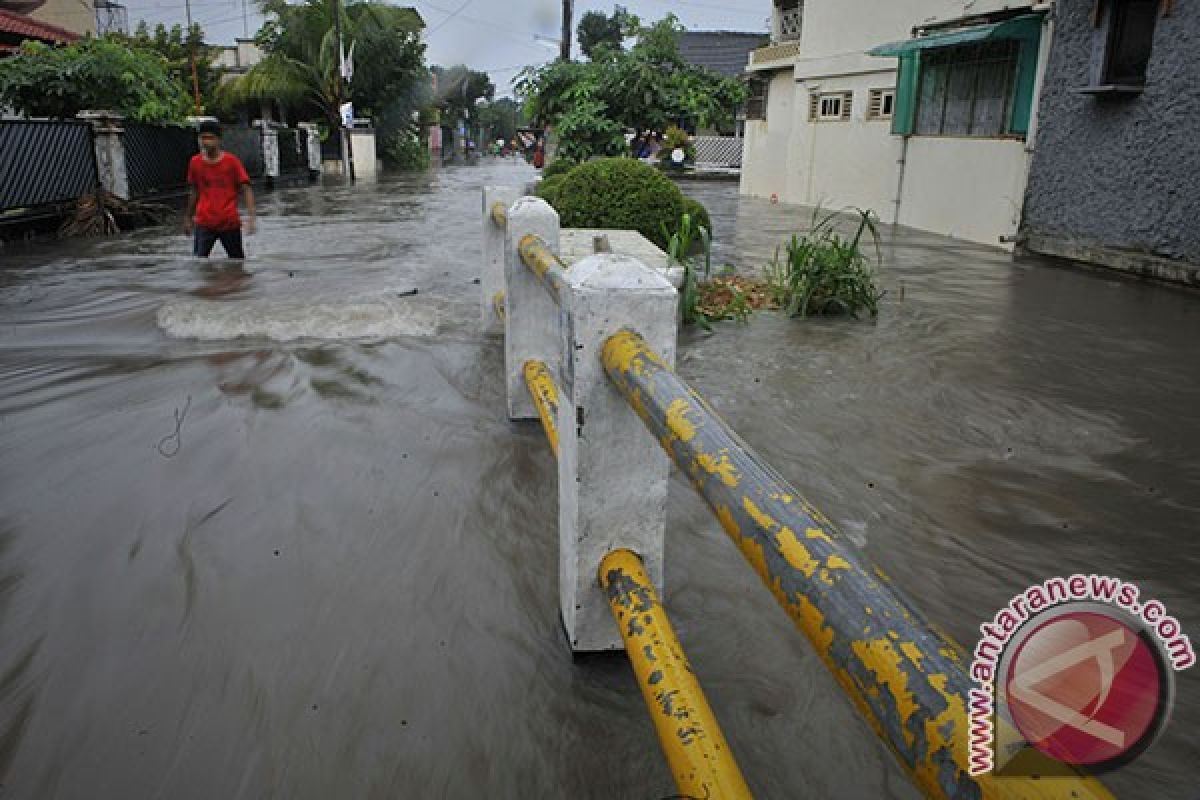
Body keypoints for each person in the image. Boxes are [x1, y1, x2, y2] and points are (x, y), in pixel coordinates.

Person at [184, 120, 255, 259]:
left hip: (228, 222)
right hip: (204, 221)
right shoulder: (195, 162)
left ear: (218, 140)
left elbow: (246, 189)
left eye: (210, 138)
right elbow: (194, 191)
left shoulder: (231, 162)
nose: (206, 142)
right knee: (199, 262)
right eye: (203, 138)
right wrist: (188, 218)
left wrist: (251, 217)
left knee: (237, 263)